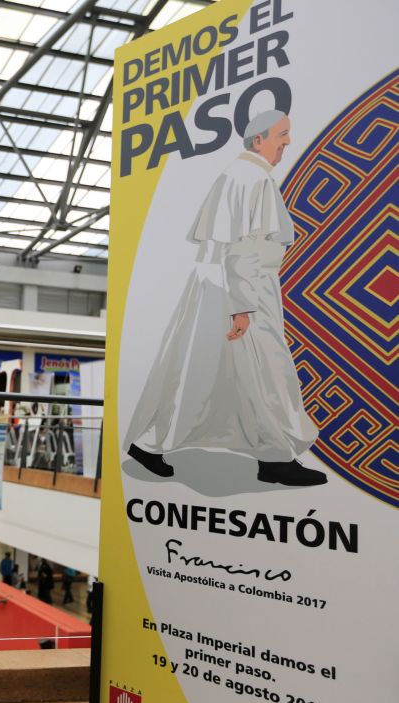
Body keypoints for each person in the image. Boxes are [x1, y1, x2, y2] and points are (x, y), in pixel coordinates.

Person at [126, 110, 327, 487]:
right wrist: (243, 307)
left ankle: (151, 444)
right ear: (257, 140)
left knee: (194, 370)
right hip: (242, 289)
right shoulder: (254, 179)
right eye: (281, 135)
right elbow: (245, 247)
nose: (286, 142)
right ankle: (276, 458)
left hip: (219, 285)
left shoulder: (234, 175)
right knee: (268, 372)